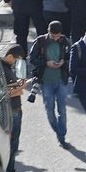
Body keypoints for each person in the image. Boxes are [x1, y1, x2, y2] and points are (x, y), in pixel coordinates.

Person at [29, 21, 72, 149]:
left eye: (57, 36)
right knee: (49, 110)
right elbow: (32, 58)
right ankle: (58, 132)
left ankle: (61, 137)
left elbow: (71, 58)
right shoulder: (40, 41)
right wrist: (46, 63)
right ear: (48, 32)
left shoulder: (65, 41)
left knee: (62, 110)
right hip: (45, 81)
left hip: (60, 80)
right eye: (53, 36)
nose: (55, 38)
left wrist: (63, 62)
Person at [0, 44, 29, 172]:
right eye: (16, 59)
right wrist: (20, 89)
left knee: (14, 143)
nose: (16, 62)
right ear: (10, 56)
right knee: (11, 144)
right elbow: (5, 93)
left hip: (16, 109)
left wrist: (18, 86)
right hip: (11, 111)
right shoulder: (1, 69)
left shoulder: (7, 67)